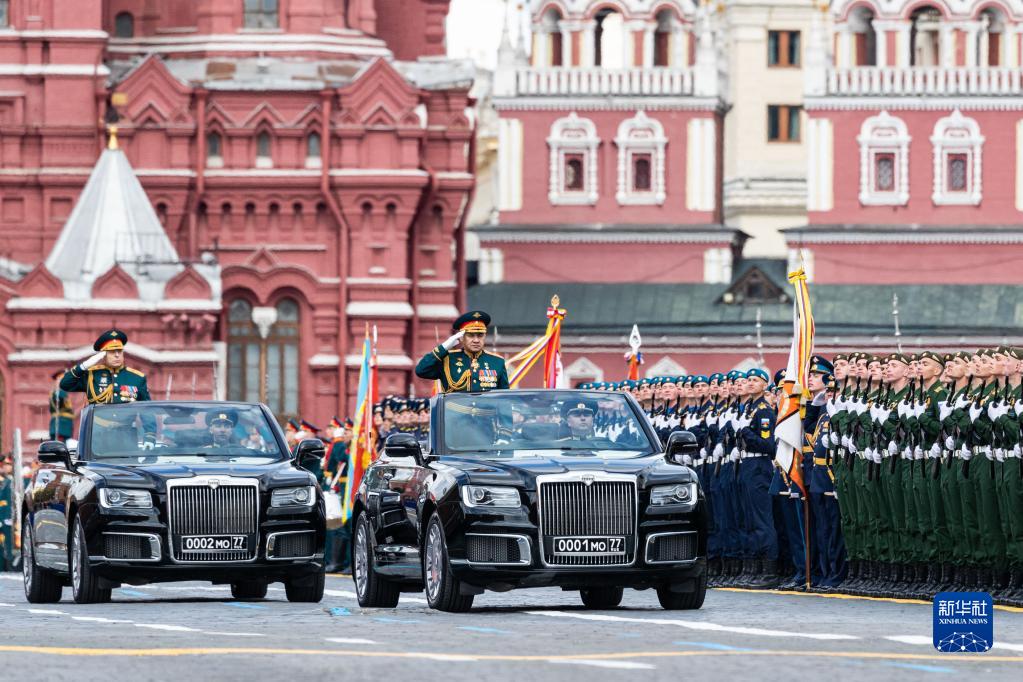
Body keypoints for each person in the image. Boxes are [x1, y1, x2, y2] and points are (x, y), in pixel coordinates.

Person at [415, 311, 509, 393]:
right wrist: (444, 347)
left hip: (487, 413)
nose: (476, 340)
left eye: (480, 335)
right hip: (456, 413)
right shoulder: (447, 359)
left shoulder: (497, 362)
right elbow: (421, 371)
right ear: (461, 338)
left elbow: (504, 397)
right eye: (471, 335)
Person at [60, 329, 151, 405]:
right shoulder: (92, 375)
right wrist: (84, 366)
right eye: (112, 351)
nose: (117, 355)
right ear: (103, 355)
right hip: (99, 426)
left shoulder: (137, 378)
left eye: (119, 351)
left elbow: (146, 409)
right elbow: (65, 384)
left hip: (126, 426)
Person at [48, 369, 74, 442]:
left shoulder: (60, 392)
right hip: (61, 426)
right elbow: (59, 404)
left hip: (63, 426)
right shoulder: (59, 393)